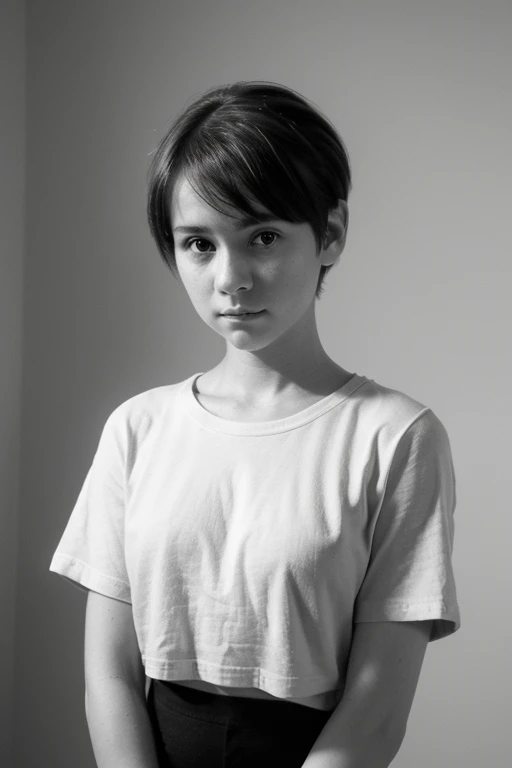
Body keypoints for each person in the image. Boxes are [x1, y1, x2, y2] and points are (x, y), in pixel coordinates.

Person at [49, 81, 461, 768]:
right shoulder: (138, 428)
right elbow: (110, 674)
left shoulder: (396, 438)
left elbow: (378, 708)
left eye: (263, 236)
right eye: (199, 244)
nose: (230, 278)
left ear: (329, 234)